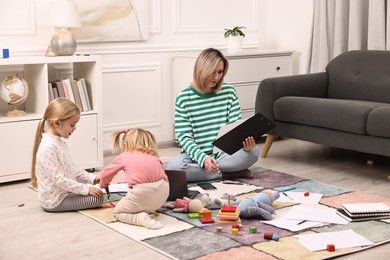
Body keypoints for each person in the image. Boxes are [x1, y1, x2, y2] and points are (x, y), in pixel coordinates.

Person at [165, 48, 260, 182]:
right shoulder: (183, 98)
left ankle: (208, 172)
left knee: (254, 152)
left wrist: (244, 143)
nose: (217, 77)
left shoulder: (229, 92)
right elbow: (184, 137)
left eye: (220, 72)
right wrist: (203, 158)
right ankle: (228, 174)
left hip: (224, 154)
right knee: (174, 168)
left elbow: (235, 127)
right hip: (195, 156)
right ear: (201, 70)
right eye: (212, 72)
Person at [31, 98, 103, 212]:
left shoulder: (59, 142)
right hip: (56, 201)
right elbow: (59, 180)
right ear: (57, 123)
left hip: (63, 190)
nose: (75, 128)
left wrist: (93, 178)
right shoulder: (48, 148)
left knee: (89, 186)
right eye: (72, 124)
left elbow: (72, 168)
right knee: (97, 199)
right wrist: (87, 189)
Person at [99, 128, 169, 229]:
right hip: (163, 196)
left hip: (142, 194)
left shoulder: (124, 156)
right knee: (144, 200)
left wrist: (103, 184)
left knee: (118, 212)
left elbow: (104, 175)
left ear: (125, 145)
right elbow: (165, 179)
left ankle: (139, 219)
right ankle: (148, 209)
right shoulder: (154, 157)